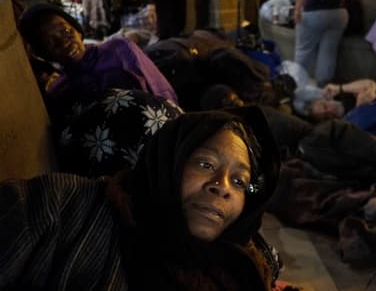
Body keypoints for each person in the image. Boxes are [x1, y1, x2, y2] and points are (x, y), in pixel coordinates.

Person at [0, 108, 284, 290]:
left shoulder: (241, 271)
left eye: (239, 181)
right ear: (166, 163)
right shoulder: (61, 205)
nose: (222, 187)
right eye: (205, 164)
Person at [17, 3, 178, 126]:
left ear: (78, 30)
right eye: (51, 43)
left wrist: (173, 124)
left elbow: (159, 88)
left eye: (66, 32)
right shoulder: (59, 93)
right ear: (44, 55)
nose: (65, 43)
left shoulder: (119, 49)